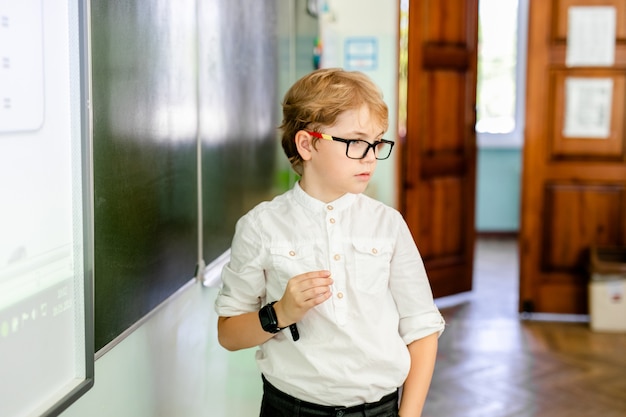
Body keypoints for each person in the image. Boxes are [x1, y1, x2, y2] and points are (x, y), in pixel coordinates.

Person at [215, 68, 445, 417]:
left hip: (379, 411)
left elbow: (422, 328)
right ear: (307, 144)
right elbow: (229, 335)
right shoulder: (260, 226)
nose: (370, 156)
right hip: (289, 410)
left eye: (377, 141)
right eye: (355, 142)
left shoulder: (388, 225)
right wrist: (280, 313)